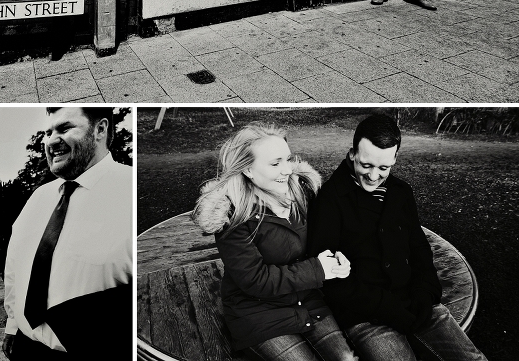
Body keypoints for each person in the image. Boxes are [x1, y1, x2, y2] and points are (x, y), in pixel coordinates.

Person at [308, 113, 488, 361]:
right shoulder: (331, 199)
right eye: (366, 165)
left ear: (395, 159)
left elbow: (419, 249)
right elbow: (328, 276)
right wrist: (386, 307)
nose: (373, 176)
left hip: (414, 300)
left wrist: (425, 294)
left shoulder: (401, 193)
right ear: (352, 154)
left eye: (384, 167)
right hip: (365, 315)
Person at [193, 122, 358, 361]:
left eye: (288, 159)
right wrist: (318, 269)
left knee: (345, 358)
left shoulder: (303, 192)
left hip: (307, 301)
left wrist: (337, 260)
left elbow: (326, 239)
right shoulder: (233, 214)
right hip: (257, 311)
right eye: (275, 163)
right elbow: (255, 280)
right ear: (248, 170)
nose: (287, 170)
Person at [2, 107, 132, 361]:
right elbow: (15, 267)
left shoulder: (130, 189)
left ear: (100, 129)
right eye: (48, 132)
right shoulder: (39, 197)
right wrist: (12, 325)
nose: (50, 140)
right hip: (27, 349)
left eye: (64, 128)